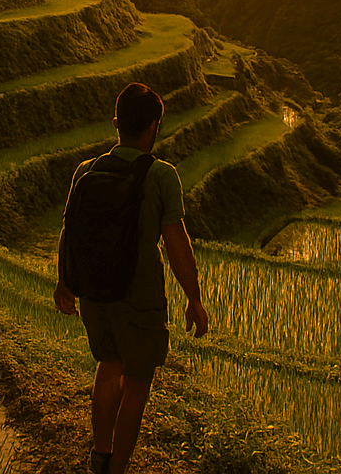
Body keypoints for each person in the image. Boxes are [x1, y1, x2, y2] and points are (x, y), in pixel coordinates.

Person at [54, 82, 211, 474]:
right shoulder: (161, 175)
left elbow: (68, 229)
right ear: (154, 126)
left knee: (109, 365)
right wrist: (194, 298)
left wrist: (64, 281)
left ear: (116, 124)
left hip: (94, 296)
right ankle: (118, 467)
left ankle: (100, 456)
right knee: (137, 380)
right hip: (138, 298)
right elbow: (177, 244)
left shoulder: (85, 170)